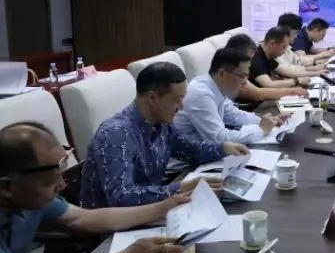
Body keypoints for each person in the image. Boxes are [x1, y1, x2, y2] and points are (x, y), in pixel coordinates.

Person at [0, 122, 189, 253]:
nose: (62, 185)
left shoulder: (31, 197)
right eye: (49, 180)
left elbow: (84, 218)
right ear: (7, 187)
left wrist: (163, 208)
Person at [80, 63, 248, 209]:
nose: (182, 107)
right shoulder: (116, 134)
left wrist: (224, 148)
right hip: (109, 229)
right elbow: (121, 197)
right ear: (153, 97)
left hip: (151, 211)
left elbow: (191, 150)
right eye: (178, 99)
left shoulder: (162, 123)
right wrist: (180, 188)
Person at [173, 48, 286, 144]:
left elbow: (235, 116)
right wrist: (261, 130)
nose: (245, 82)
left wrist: (267, 121)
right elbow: (219, 138)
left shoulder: (215, 86)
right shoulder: (201, 94)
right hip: (188, 160)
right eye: (242, 76)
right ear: (223, 74)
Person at [225, 34, 308, 101]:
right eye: (248, 60)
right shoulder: (233, 72)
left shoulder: (264, 56)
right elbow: (258, 94)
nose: (250, 64)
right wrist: (292, 91)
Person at [276, 12, 329, 79]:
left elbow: (298, 61)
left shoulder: (286, 47)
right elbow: (289, 70)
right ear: (286, 31)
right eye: (295, 33)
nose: (296, 36)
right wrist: (315, 72)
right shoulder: (275, 47)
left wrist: (315, 63)